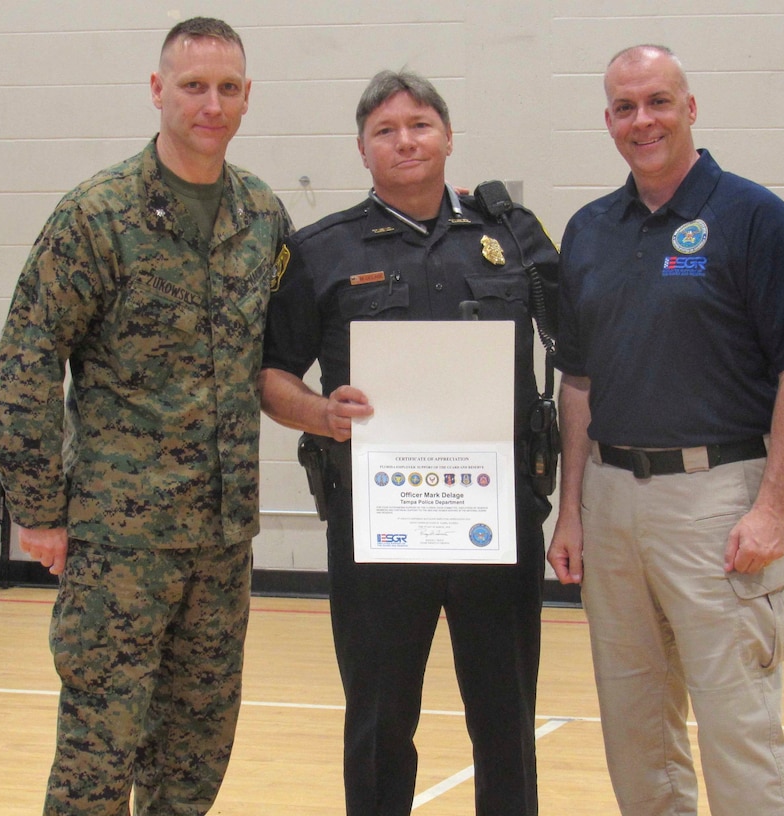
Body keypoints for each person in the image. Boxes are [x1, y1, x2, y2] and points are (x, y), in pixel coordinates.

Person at [0, 17, 291, 815]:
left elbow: (285, 350)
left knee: (196, 751)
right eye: (193, 86)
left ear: (248, 97)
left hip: (223, 542)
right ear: (158, 91)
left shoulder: (261, 216)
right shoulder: (98, 215)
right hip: (122, 542)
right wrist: (41, 511)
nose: (210, 104)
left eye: (227, 88)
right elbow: (23, 362)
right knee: (99, 752)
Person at [546, 44, 784, 816]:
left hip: (717, 502)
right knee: (635, 731)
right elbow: (578, 381)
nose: (642, 121)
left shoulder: (754, 217)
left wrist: (772, 508)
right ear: (607, 120)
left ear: (690, 107)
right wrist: (571, 509)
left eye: (658, 102)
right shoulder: (590, 230)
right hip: (609, 502)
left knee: (737, 730)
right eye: (625, 107)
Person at [259, 70, 558, 816]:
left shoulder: (510, 236)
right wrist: (321, 412)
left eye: (420, 124)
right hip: (378, 525)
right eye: (385, 131)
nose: (405, 141)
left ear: (449, 136)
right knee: (380, 721)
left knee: (506, 719)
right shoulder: (322, 251)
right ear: (361, 151)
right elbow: (268, 376)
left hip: (495, 519)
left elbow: (579, 347)